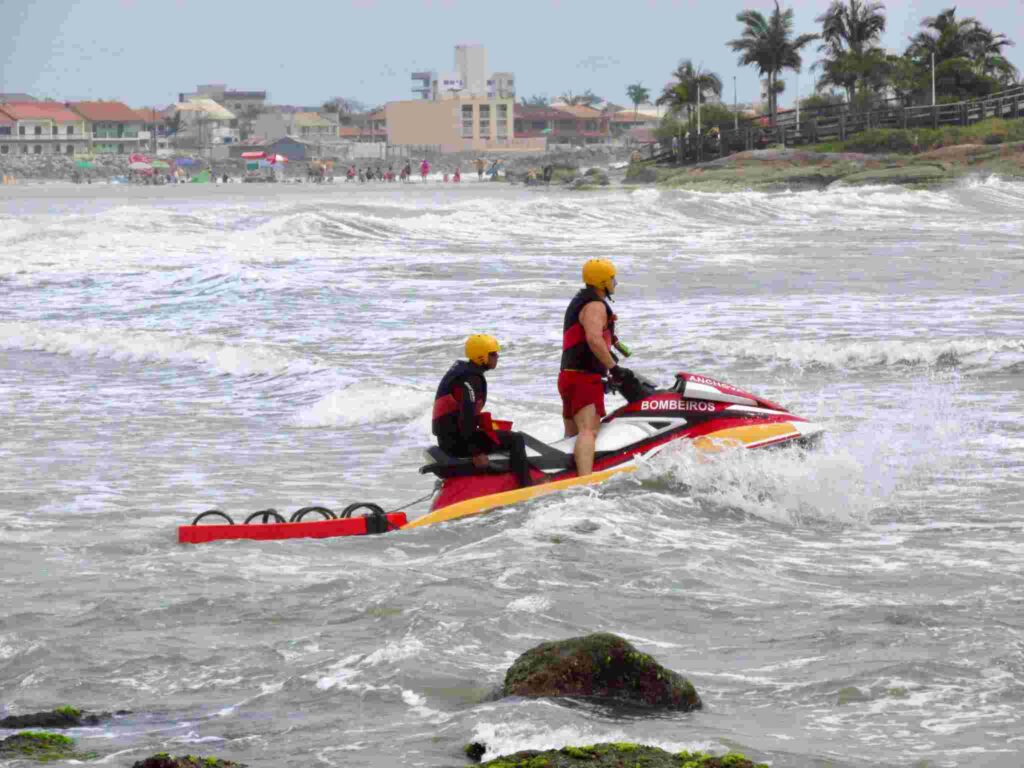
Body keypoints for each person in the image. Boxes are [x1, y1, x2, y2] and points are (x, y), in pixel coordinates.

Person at [433, 335, 533, 488]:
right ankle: (525, 486)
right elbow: (466, 418)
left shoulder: (463, 372)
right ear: (481, 356)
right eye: (492, 354)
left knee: (502, 434)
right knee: (516, 439)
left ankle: (507, 478)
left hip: (449, 438)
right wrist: (476, 452)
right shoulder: (470, 379)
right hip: (455, 443)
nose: (497, 357)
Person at [558, 258, 627, 477]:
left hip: (568, 376)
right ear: (603, 281)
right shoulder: (596, 306)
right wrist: (614, 368)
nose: (615, 283)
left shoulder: (579, 301)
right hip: (584, 378)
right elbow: (594, 339)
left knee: (572, 434)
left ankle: (563, 477)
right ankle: (584, 482)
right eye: (612, 278)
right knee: (588, 430)